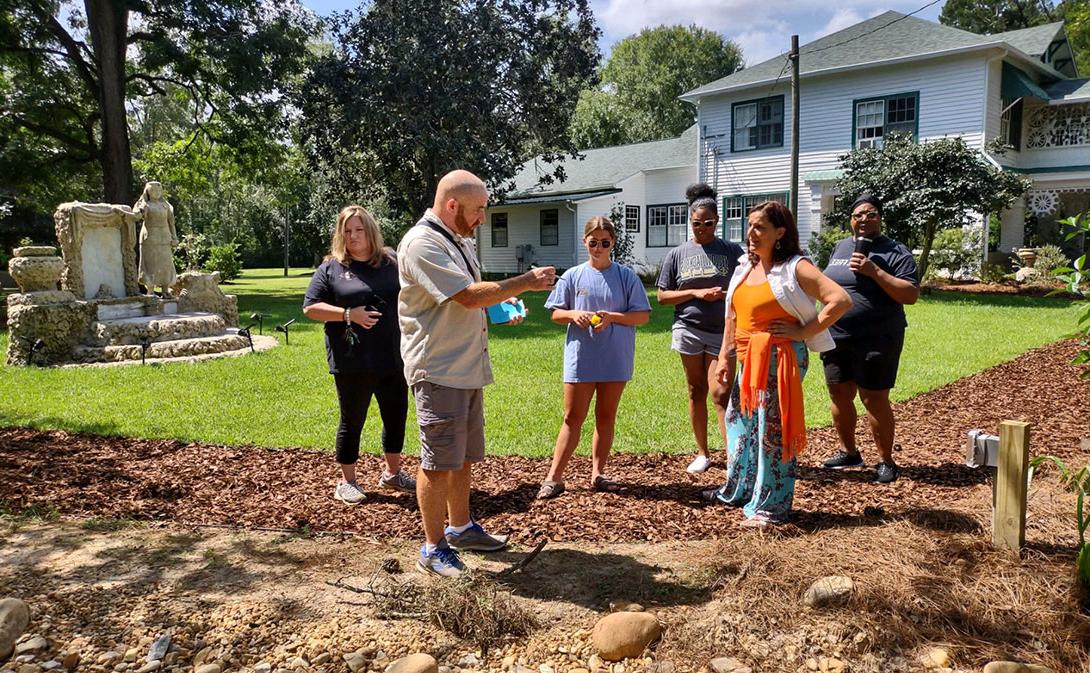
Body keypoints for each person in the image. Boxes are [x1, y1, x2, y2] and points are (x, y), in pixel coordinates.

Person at [398, 169, 556, 577]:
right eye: (479, 210)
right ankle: (433, 549)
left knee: (463, 457)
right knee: (437, 461)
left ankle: (461, 528)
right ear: (452, 205)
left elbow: (470, 296)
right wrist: (526, 282)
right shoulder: (421, 243)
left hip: (466, 367)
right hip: (439, 369)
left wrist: (503, 310)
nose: (483, 218)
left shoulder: (458, 241)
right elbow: (467, 296)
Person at [707, 201, 851, 527]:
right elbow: (733, 314)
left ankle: (771, 507)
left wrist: (803, 331)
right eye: (750, 225)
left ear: (780, 232)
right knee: (740, 426)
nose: (751, 233)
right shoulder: (746, 265)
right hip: (747, 358)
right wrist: (724, 358)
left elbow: (840, 299)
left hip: (779, 359)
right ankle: (740, 490)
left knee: (772, 432)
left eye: (760, 227)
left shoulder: (795, 267)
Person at [302, 205, 415, 505]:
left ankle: (392, 473)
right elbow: (311, 307)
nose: (353, 236)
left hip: (393, 355)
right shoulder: (332, 268)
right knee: (352, 419)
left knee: (396, 416)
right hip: (353, 361)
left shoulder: (391, 262)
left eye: (359, 230)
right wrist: (349, 314)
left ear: (370, 231)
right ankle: (347, 481)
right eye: (347, 231)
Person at [535, 216, 651, 499]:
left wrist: (613, 318)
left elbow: (643, 315)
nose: (598, 248)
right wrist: (574, 314)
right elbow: (555, 313)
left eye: (605, 242)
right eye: (593, 242)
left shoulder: (626, 276)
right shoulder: (573, 276)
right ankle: (554, 477)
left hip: (615, 358)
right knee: (572, 416)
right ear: (584, 241)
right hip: (582, 357)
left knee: (606, 416)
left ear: (613, 243)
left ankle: (598, 473)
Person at [819, 194, 920, 483]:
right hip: (837, 334)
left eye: (871, 214)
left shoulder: (895, 251)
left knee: (873, 398)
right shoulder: (840, 247)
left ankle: (886, 460)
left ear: (880, 218)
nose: (864, 219)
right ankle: (849, 452)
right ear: (851, 220)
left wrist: (874, 271)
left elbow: (910, 294)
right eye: (858, 214)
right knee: (839, 393)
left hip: (878, 336)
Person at [656, 184, 745, 474]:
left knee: (721, 392)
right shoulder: (677, 254)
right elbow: (662, 296)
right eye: (696, 224)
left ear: (717, 222)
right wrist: (696, 294)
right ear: (689, 221)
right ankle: (703, 453)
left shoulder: (732, 251)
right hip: (689, 328)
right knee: (696, 390)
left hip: (722, 332)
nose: (702, 229)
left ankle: (733, 455)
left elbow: (747, 284)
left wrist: (727, 296)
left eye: (708, 223)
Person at [132, 181, 178, 296]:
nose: (156, 193)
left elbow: (171, 223)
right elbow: (136, 216)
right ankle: (150, 289)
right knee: (150, 263)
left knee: (166, 263)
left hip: (164, 238)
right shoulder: (145, 205)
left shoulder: (166, 206)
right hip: (149, 238)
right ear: (148, 192)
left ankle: (165, 289)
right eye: (153, 191)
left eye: (158, 191)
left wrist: (174, 237)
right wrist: (139, 208)